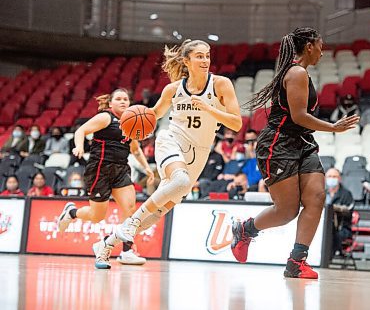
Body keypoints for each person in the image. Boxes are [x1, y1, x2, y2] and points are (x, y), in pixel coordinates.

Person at [94, 39, 243, 269]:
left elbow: (236, 123)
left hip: (199, 153)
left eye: (207, 55)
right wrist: (132, 125)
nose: (205, 60)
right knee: (180, 180)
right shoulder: (174, 89)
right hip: (171, 141)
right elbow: (152, 117)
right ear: (187, 61)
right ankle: (130, 225)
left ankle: (105, 243)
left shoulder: (221, 85)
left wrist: (209, 108)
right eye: (199, 56)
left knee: (153, 216)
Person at [230, 27, 359, 279]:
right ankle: (245, 230)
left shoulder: (302, 73)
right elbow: (299, 116)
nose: (323, 51)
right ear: (309, 46)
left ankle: (296, 262)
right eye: (320, 46)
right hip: (278, 144)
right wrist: (332, 127)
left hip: (302, 142)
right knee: (287, 211)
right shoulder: (297, 72)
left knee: (317, 196)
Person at [57, 89, 154, 267]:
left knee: (131, 211)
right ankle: (71, 213)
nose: (123, 102)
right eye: (118, 99)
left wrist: (147, 169)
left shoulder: (131, 122)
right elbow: (81, 131)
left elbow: (135, 149)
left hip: (121, 171)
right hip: (99, 170)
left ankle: (127, 251)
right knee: (96, 216)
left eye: (126, 99)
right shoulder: (105, 118)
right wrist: (79, 147)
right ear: (111, 103)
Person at [324, 168, 354, 257]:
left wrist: (334, 208)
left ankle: (328, 257)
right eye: (329, 176)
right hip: (324, 226)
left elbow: (348, 211)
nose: (332, 178)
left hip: (342, 228)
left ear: (339, 178)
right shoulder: (321, 193)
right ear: (325, 178)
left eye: (334, 176)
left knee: (332, 234)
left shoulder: (346, 194)